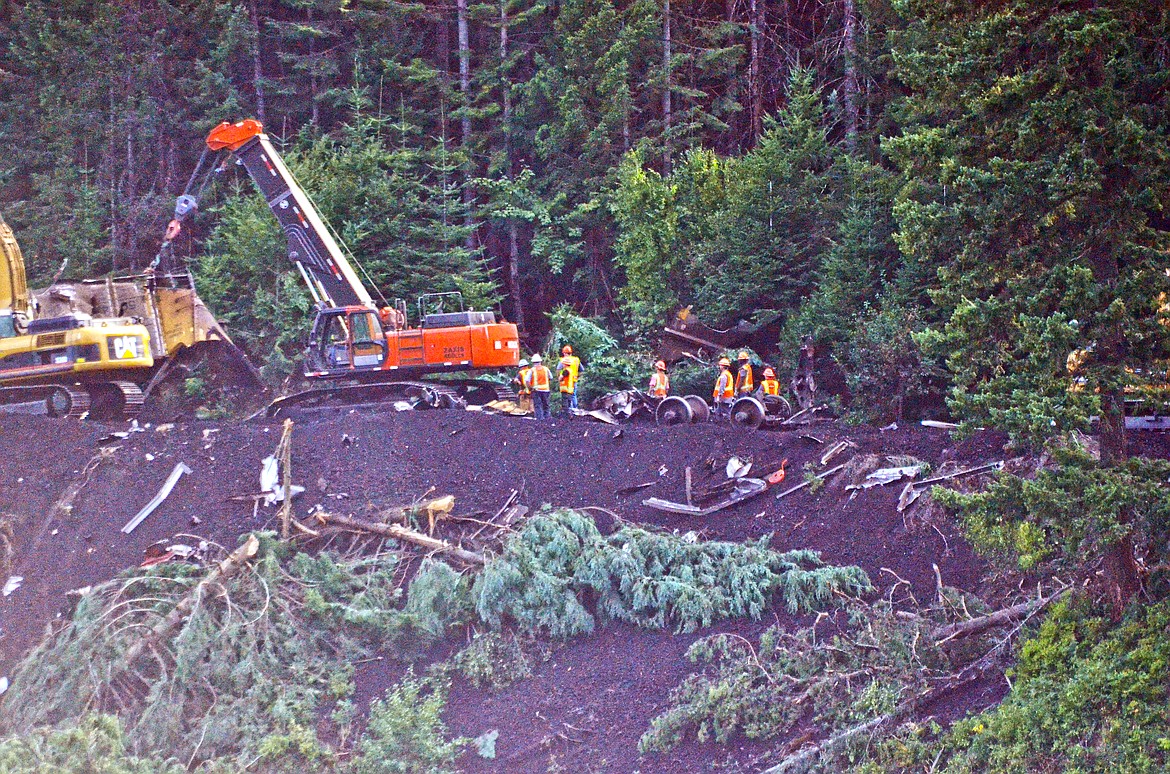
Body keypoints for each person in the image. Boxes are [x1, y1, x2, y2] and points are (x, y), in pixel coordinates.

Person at [525, 354, 553, 419]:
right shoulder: (546, 369)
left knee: (538, 406)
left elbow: (527, 381)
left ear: (533, 362)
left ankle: (540, 420)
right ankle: (548, 419)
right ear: (540, 361)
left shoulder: (532, 370)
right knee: (546, 405)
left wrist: (530, 389)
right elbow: (551, 378)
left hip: (536, 390)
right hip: (546, 390)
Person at [558, 344, 582, 416]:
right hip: (573, 381)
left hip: (565, 383)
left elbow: (558, 369)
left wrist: (559, 378)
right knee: (573, 396)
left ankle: (569, 412)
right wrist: (577, 377)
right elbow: (581, 370)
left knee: (566, 398)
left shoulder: (563, 360)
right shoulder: (576, 359)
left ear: (564, 353)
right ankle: (575, 410)